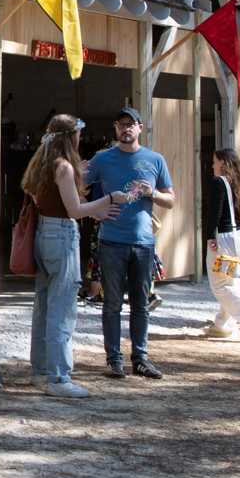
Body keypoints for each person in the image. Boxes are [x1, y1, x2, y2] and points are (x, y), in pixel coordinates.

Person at [18, 115, 118, 397]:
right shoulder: (63, 167)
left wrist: (89, 196)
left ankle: (40, 371)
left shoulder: (43, 164)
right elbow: (74, 210)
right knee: (62, 308)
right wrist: (109, 200)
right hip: (62, 235)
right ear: (69, 137)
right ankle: (59, 377)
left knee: (44, 306)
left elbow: (50, 200)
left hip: (44, 234)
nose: (80, 138)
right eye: (78, 133)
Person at [85, 107, 175, 379]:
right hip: (111, 241)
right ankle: (114, 360)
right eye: (121, 125)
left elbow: (171, 200)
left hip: (143, 243)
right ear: (115, 128)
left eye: (131, 124)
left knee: (140, 303)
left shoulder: (155, 160)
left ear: (140, 127)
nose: (126, 129)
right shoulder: (102, 159)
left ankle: (141, 358)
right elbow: (76, 187)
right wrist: (94, 209)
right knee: (112, 303)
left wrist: (153, 193)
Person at [203, 147, 240, 341]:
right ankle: (222, 324)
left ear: (222, 162)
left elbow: (214, 212)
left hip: (225, 239)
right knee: (232, 283)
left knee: (221, 286)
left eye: (214, 161)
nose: (213, 165)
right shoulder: (239, 183)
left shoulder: (219, 182)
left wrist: (210, 236)